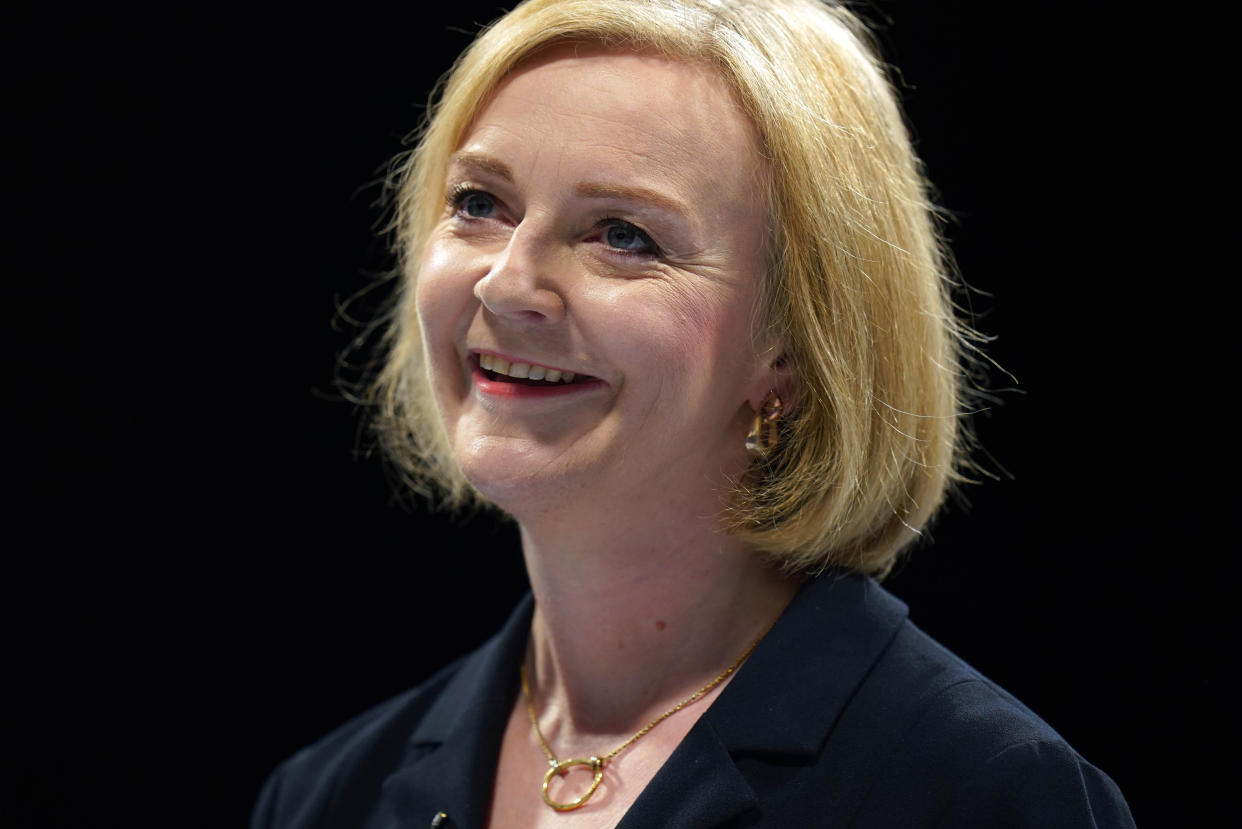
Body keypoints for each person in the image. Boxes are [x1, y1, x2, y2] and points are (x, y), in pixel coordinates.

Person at [253, 0, 1134, 826]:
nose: (507, 281)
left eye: (623, 235)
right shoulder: (326, 796)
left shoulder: (985, 794)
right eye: (479, 203)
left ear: (790, 347)